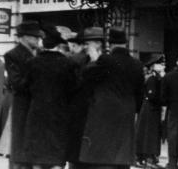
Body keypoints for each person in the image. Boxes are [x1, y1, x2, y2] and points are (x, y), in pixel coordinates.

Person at [79, 27, 144, 169]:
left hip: (104, 119)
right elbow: (140, 96)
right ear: (126, 44)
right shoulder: (137, 65)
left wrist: (93, 60)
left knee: (105, 161)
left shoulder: (105, 61)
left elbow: (86, 78)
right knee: (122, 160)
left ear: (110, 44)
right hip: (126, 118)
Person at [23, 26, 79, 169]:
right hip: (59, 115)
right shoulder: (69, 64)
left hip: (37, 114)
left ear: (44, 44)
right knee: (56, 157)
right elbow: (74, 90)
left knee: (37, 157)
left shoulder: (32, 63)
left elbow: (25, 87)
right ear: (58, 45)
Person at [4, 20, 43, 169]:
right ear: (25, 37)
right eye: (34, 37)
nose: (37, 40)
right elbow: (16, 83)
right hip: (23, 105)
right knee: (20, 141)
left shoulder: (39, 53)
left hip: (38, 105)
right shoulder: (13, 55)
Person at [136, 54, 166, 168]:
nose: (163, 66)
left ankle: (150, 156)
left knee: (150, 133)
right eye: (160, 64)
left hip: (153, 109)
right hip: (150, 109)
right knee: (148, 133)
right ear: (154, 66)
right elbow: (152, 95)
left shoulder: (157, 78)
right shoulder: (152, 78)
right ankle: (147, 156)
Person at [66, 29, 90, 169]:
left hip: (74, 110)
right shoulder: (94, 60)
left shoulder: (72, 60)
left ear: (75, 45)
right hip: (89, 110)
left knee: (74, 152)